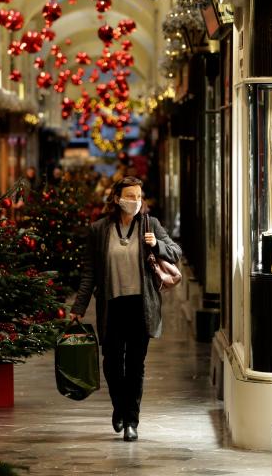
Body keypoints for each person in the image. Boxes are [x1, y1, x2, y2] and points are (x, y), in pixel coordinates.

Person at [70, 176, 182, 442]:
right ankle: (119, 407)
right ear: (117, 198)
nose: (135, 201)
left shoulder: (150, 224)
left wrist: (158, 245)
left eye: (138, 196)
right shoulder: (99, 230)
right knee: (111, 363)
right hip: (112, 306)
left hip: (141, 306)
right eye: (129, 196)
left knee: (134, 365)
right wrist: (79, 306)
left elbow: (175, 252)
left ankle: (131, 420)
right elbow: (90, 273)